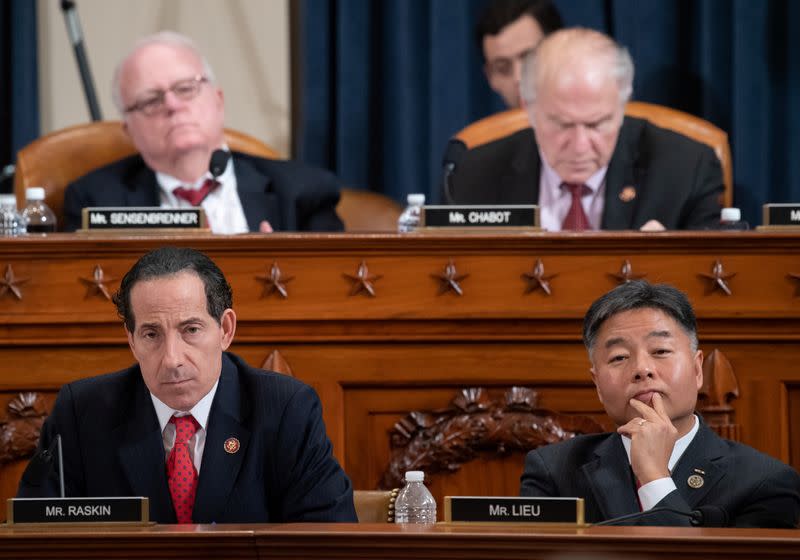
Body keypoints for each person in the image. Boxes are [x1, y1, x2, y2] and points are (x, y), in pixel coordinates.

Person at [18, 246, 357, 523]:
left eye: (190, 330)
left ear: (225, 330)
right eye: (151, 334)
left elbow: (328, 539)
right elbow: (37, 535)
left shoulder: (285, 410)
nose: (172, 359)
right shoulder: (82, 413)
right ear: (132, 341)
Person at [520, 280, 800, 527]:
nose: (642, 368)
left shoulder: (765, 482)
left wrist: (654, 478)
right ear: (597, 384)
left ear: (697, 370)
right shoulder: (553, 471)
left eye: (661, 351)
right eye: (619, 357)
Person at [444, 28, 724, 231]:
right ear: (528, 108)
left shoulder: (686, 170)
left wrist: (671, 267)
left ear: (622, 106)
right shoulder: (474, 175)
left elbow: (714, 294)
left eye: (596, 124)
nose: (579, 146)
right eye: (562, 124)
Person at [62, 31, 343, 233]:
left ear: (218, 100)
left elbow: (335, 299)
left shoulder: (302, 192)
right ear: (129, 131)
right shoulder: (93, 200)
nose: (172, 105)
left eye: (185, 88)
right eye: (150, 100)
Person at [476, 0, 563, 109]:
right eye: (503, 68)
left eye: (531, 58)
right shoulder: (479, 127)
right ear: (490, 78)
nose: (519, 78)